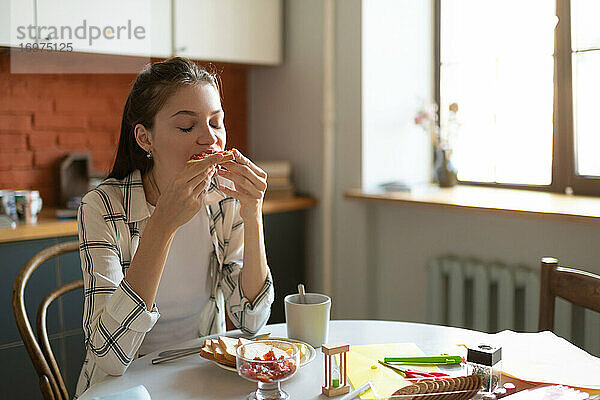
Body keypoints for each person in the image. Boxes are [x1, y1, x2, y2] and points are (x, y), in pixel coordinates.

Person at [75, 57, 274, 397]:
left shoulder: (225, 201)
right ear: (144, 138)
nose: (209, 139)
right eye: (187, 127)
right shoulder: (102, 206)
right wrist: (162, 224)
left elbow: (252, 321)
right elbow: (108, 356)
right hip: (123, 387)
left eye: (216, 123)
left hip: (199, 375)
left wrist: (253, 213)